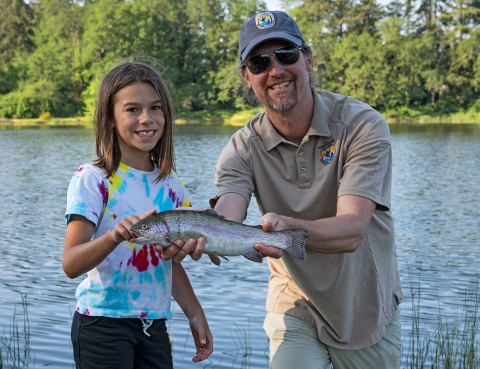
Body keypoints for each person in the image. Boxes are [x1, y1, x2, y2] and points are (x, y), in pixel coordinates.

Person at [158, 10, 403, 369]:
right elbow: (229, 210)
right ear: (247, 77)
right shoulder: (241, 148)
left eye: (285, 54)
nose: (274, 70)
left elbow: (353, 228)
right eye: (259, 62)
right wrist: (201, 232)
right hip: (294, 301)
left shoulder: (362, 126)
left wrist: (288, 229)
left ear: (308, 59)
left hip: (363, 305)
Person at [62, 61, 213, 369]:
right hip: (102, 325)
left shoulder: (171, 186)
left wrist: (195, 312)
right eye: (132, 109)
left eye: (155, 107)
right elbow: (71, 263)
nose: (146, 118)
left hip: (154, 326)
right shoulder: (93, 179)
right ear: (111, 118)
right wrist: (114, 236)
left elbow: (167, 263)